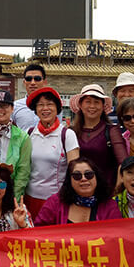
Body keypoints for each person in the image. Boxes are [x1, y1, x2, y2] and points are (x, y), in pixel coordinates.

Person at [25, 87, 80, 221]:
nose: (45, 108)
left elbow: (75, 170)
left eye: (50, 104)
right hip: (30, 199)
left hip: (57, 199)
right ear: (35, 109)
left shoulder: (67, 135)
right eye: (40, 105)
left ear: (57, 108)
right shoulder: (29, 133)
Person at [70, 84, 127, 193]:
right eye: (88, 102)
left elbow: (123, 162)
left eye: (96, 102)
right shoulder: (71, 132)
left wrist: (117, 188)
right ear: (80, 105)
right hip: (78, 190)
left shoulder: (112, 131)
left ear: (102, 106)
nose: (92, 106)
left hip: (106, 191)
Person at [34, 157, 122, 225]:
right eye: (77, 176)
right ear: (70, 180)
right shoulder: (55, 202)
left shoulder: (110, 206)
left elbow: (116, 234)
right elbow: (39, 230)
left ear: (96, 177)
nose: (83, 179)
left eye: (88, 174)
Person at [12, 63, 58, 132]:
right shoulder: (15, 106)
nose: (33, 83)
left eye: (37, 79)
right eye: (29, 79)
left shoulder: (54, 106)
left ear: (44, 82)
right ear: (24, 82)